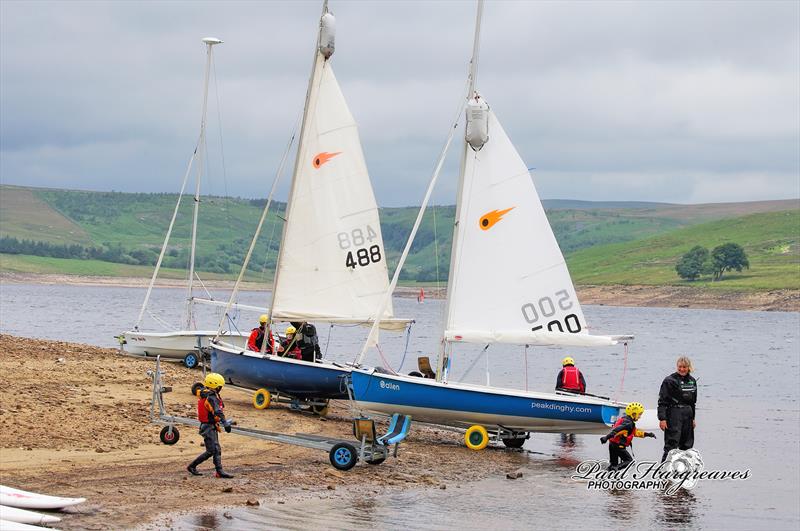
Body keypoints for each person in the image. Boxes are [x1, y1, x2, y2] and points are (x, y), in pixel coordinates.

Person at [187, 372, 234, 478]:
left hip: (210, 425)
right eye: (220, 387)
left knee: (215, 449)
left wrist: (224, 421)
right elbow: (217, 411)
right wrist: (225, 423)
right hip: (208, 427)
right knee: (212, 450)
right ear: (216, 387)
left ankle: (219, 471)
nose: (221, 388)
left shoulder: (207, 394)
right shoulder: (211, 397)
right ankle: (192, 466)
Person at [658, 356, 698, 462]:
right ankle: (664, 472)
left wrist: (693, 418)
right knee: (671, 444)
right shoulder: (669, 380)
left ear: (689, 367)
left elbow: (693, 402)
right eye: (680, 367)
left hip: (688, 414)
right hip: (674, 414)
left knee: (687, 445)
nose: (682, 369)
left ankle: (682, 471)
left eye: (684, 367)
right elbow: (662, 401)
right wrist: (662, 419)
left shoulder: (692, 381)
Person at [600, 402, 656, 470]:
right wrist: (606, 437)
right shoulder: (628, 424)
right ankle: (615, 469)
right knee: (629, 462)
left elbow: (635, 432)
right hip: (618, 446)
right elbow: (616, 431)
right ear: (634, 414)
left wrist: (648, 434)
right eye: (639, 414)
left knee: (613, 464)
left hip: (612, 444)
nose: (640, 417)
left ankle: (608, 476)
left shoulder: (625, 420)